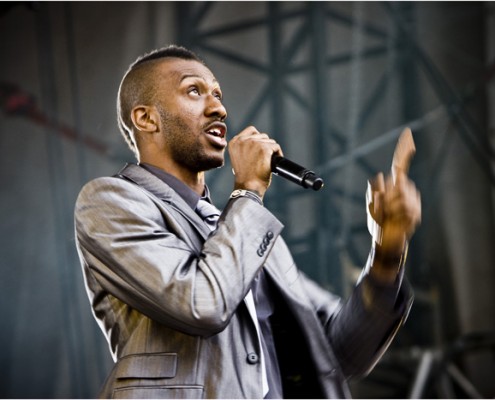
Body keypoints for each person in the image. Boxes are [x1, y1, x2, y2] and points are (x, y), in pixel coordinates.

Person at [74, 44, 421, 399]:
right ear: (146, 119)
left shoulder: (247, 229)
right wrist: (249, 189)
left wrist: (386, 253)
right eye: (194, 91)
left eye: (218, 95)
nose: (218, 108)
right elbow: (200, 303)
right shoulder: (110, 202)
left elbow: (338, 354)